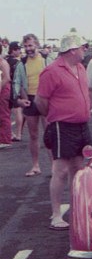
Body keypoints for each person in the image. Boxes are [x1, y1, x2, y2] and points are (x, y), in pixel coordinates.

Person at [35, 34, 92, 230]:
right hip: (62, 126)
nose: (85, 50)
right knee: (60, 170)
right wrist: (55, 117)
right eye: (82, 47)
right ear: (72, 50)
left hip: (82, 125)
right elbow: (40, 101)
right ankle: (56, 214)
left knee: (78, 167)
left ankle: (75, 209)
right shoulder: (51, 71)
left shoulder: (81, 68)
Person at [13, 33, 52, 176]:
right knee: (33, 135)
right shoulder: (21, 63)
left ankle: (54, 166)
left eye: (31, 45)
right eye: (26, 46)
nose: (28, 48)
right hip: (29, 100)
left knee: (49, 134)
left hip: (46, 99)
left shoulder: (47, 60)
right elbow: (16, 83)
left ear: (37, 45)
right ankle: (36, 166)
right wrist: (18, 100)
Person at [6, 41, 24, 141]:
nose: (20, 51)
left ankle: (11, 133)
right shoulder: (17, 63)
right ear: (13, 50)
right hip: (15, 88)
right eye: (18, 49)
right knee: (17, 111)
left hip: (6, 87)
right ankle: (18, 134)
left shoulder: (4, 60)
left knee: (6, 112)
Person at [0, 53, 11, 148]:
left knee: (4, 115)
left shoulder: (3, 63)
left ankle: (5, 140)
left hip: (3, 91)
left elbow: (7, 78)